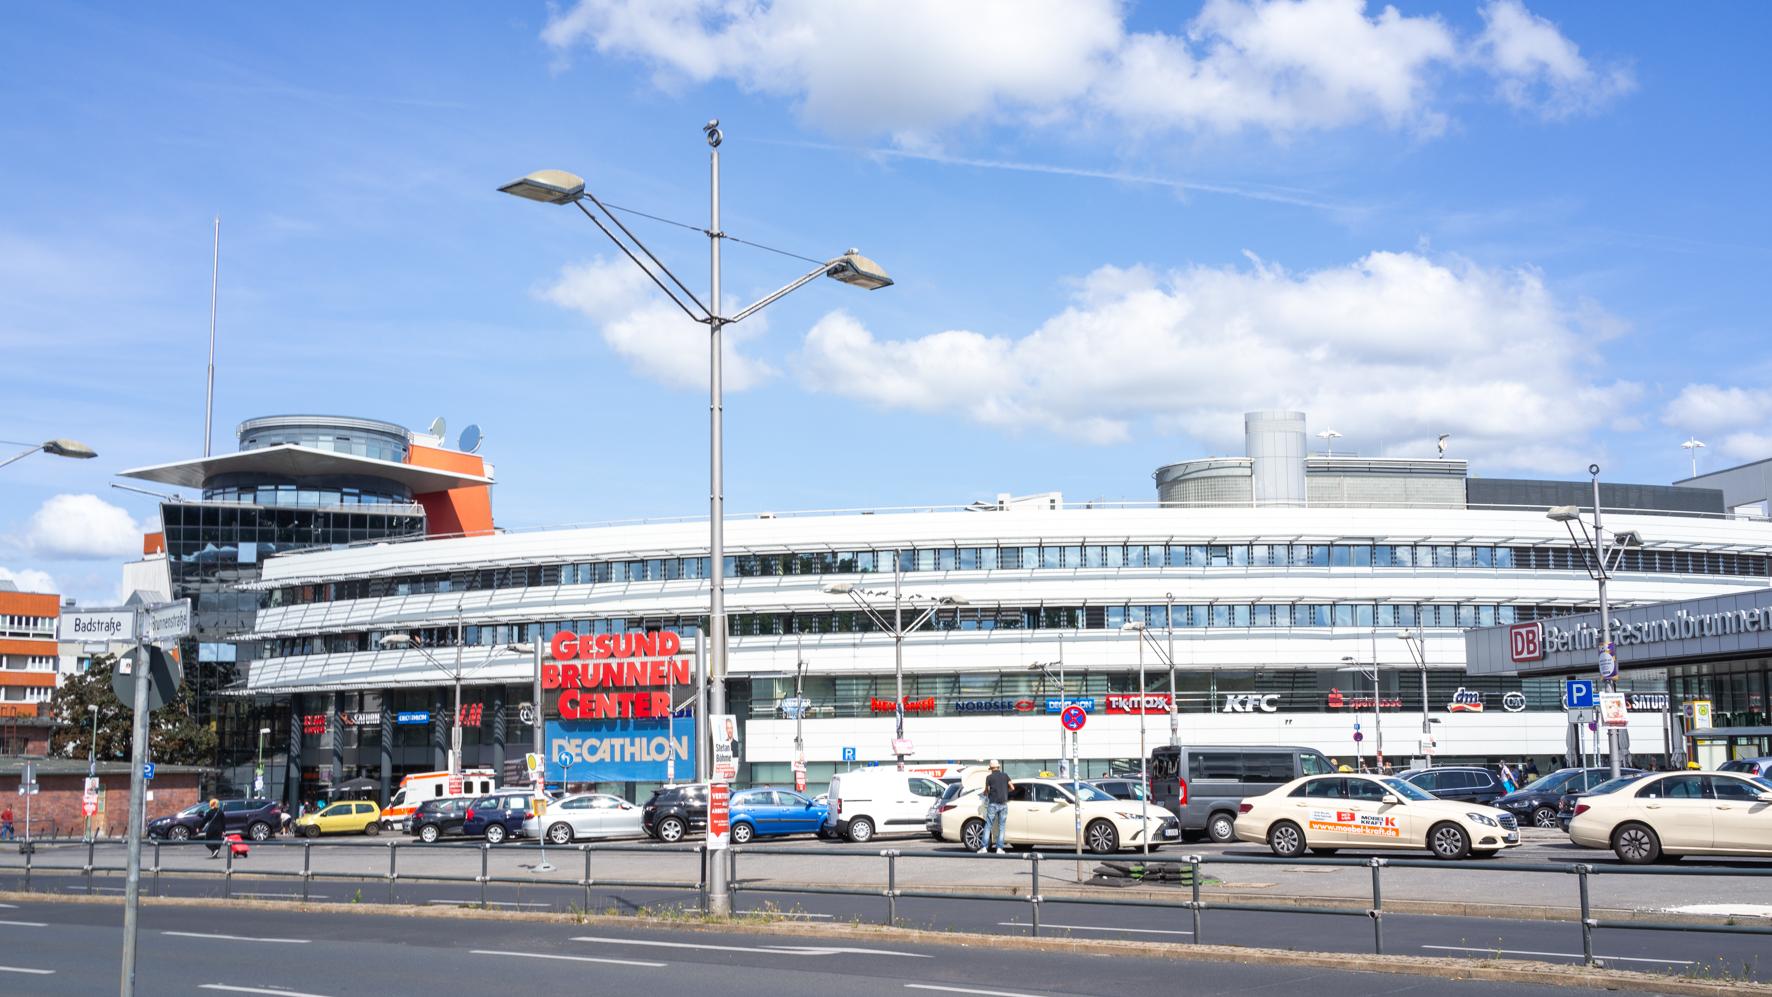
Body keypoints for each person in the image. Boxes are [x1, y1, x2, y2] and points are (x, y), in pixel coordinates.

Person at [979, 759, 1012, 855]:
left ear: (991, 768)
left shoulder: (989, 777)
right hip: (1003, 804)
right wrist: (1005, 792)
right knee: (1001, 827)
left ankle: (984, 848)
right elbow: (1012, 787)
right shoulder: (1005, 775)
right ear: (998, 767)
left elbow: (987, 790)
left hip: (993, 804)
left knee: (988, 825)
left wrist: (984, 794)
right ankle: (999, 849)